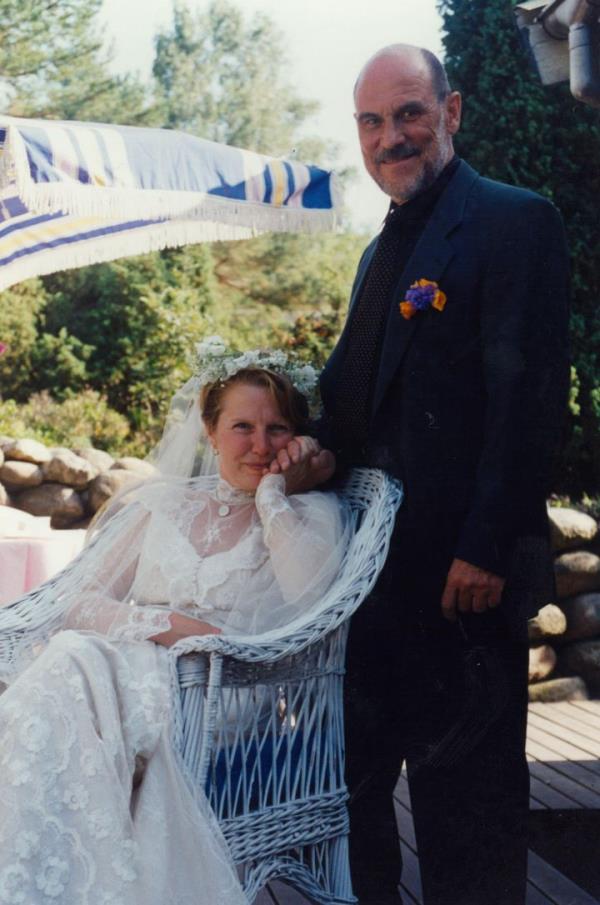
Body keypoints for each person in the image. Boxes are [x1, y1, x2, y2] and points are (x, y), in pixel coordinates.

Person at [317, 45, 571, 905]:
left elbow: (530, 404)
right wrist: (301, 448)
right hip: (373, 590)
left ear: (452, 112)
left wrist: (487, 546)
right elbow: (357, 403)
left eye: (409, 113)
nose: (392, 137)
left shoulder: (515, 221)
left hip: (465, 585)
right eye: (372, 121)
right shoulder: (373, 256)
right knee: (358, 814)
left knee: (469, 825)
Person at [0, 340, 352, 905]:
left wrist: (272, 495)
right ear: (210, 432)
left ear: (298, 438)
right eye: (242, 427)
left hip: (224, 693)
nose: (260, 446)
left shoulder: (310, 515)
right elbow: (80, 601)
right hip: (128, 672)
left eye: (278, 429)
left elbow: (306, 613)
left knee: (71, 667)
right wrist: (166, 623)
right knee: (73, 662)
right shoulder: (162, 506)